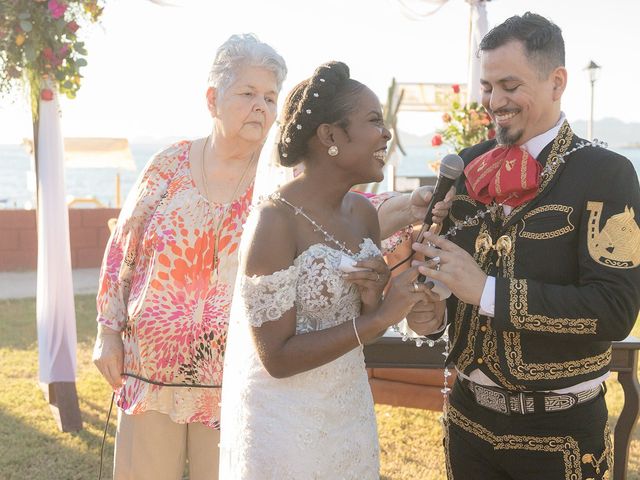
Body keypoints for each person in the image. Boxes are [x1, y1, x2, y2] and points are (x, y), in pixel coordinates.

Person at [92, 35, 447, 479]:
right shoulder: (169, 164)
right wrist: (108, 331)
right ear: (212, 99)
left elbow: (341, 222)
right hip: (153, 369)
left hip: (230, 377)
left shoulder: (285, 181)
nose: (260, 105)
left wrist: (412, 207)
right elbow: (124, 245)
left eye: (269, 96)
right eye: (246, 93)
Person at [409, 12, 640, 480]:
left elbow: (614, 309)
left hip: (560, 434)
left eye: (509, 85)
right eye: (488, 86)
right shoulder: (467, 164)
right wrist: (432, 316)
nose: (494, 101)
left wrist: (486, 291)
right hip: (467, 418)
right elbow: (448, 284)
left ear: (557, 83)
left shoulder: (608, 174)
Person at [218, 61, 441, 479]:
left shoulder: (361, 213)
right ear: (331, 136)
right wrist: (380, 318)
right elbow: (276, 358)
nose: (386, 132)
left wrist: (374, 293)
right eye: (374, 120)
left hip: (349, 414)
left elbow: (354, 322)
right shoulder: (275, 221)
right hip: (286, 425)